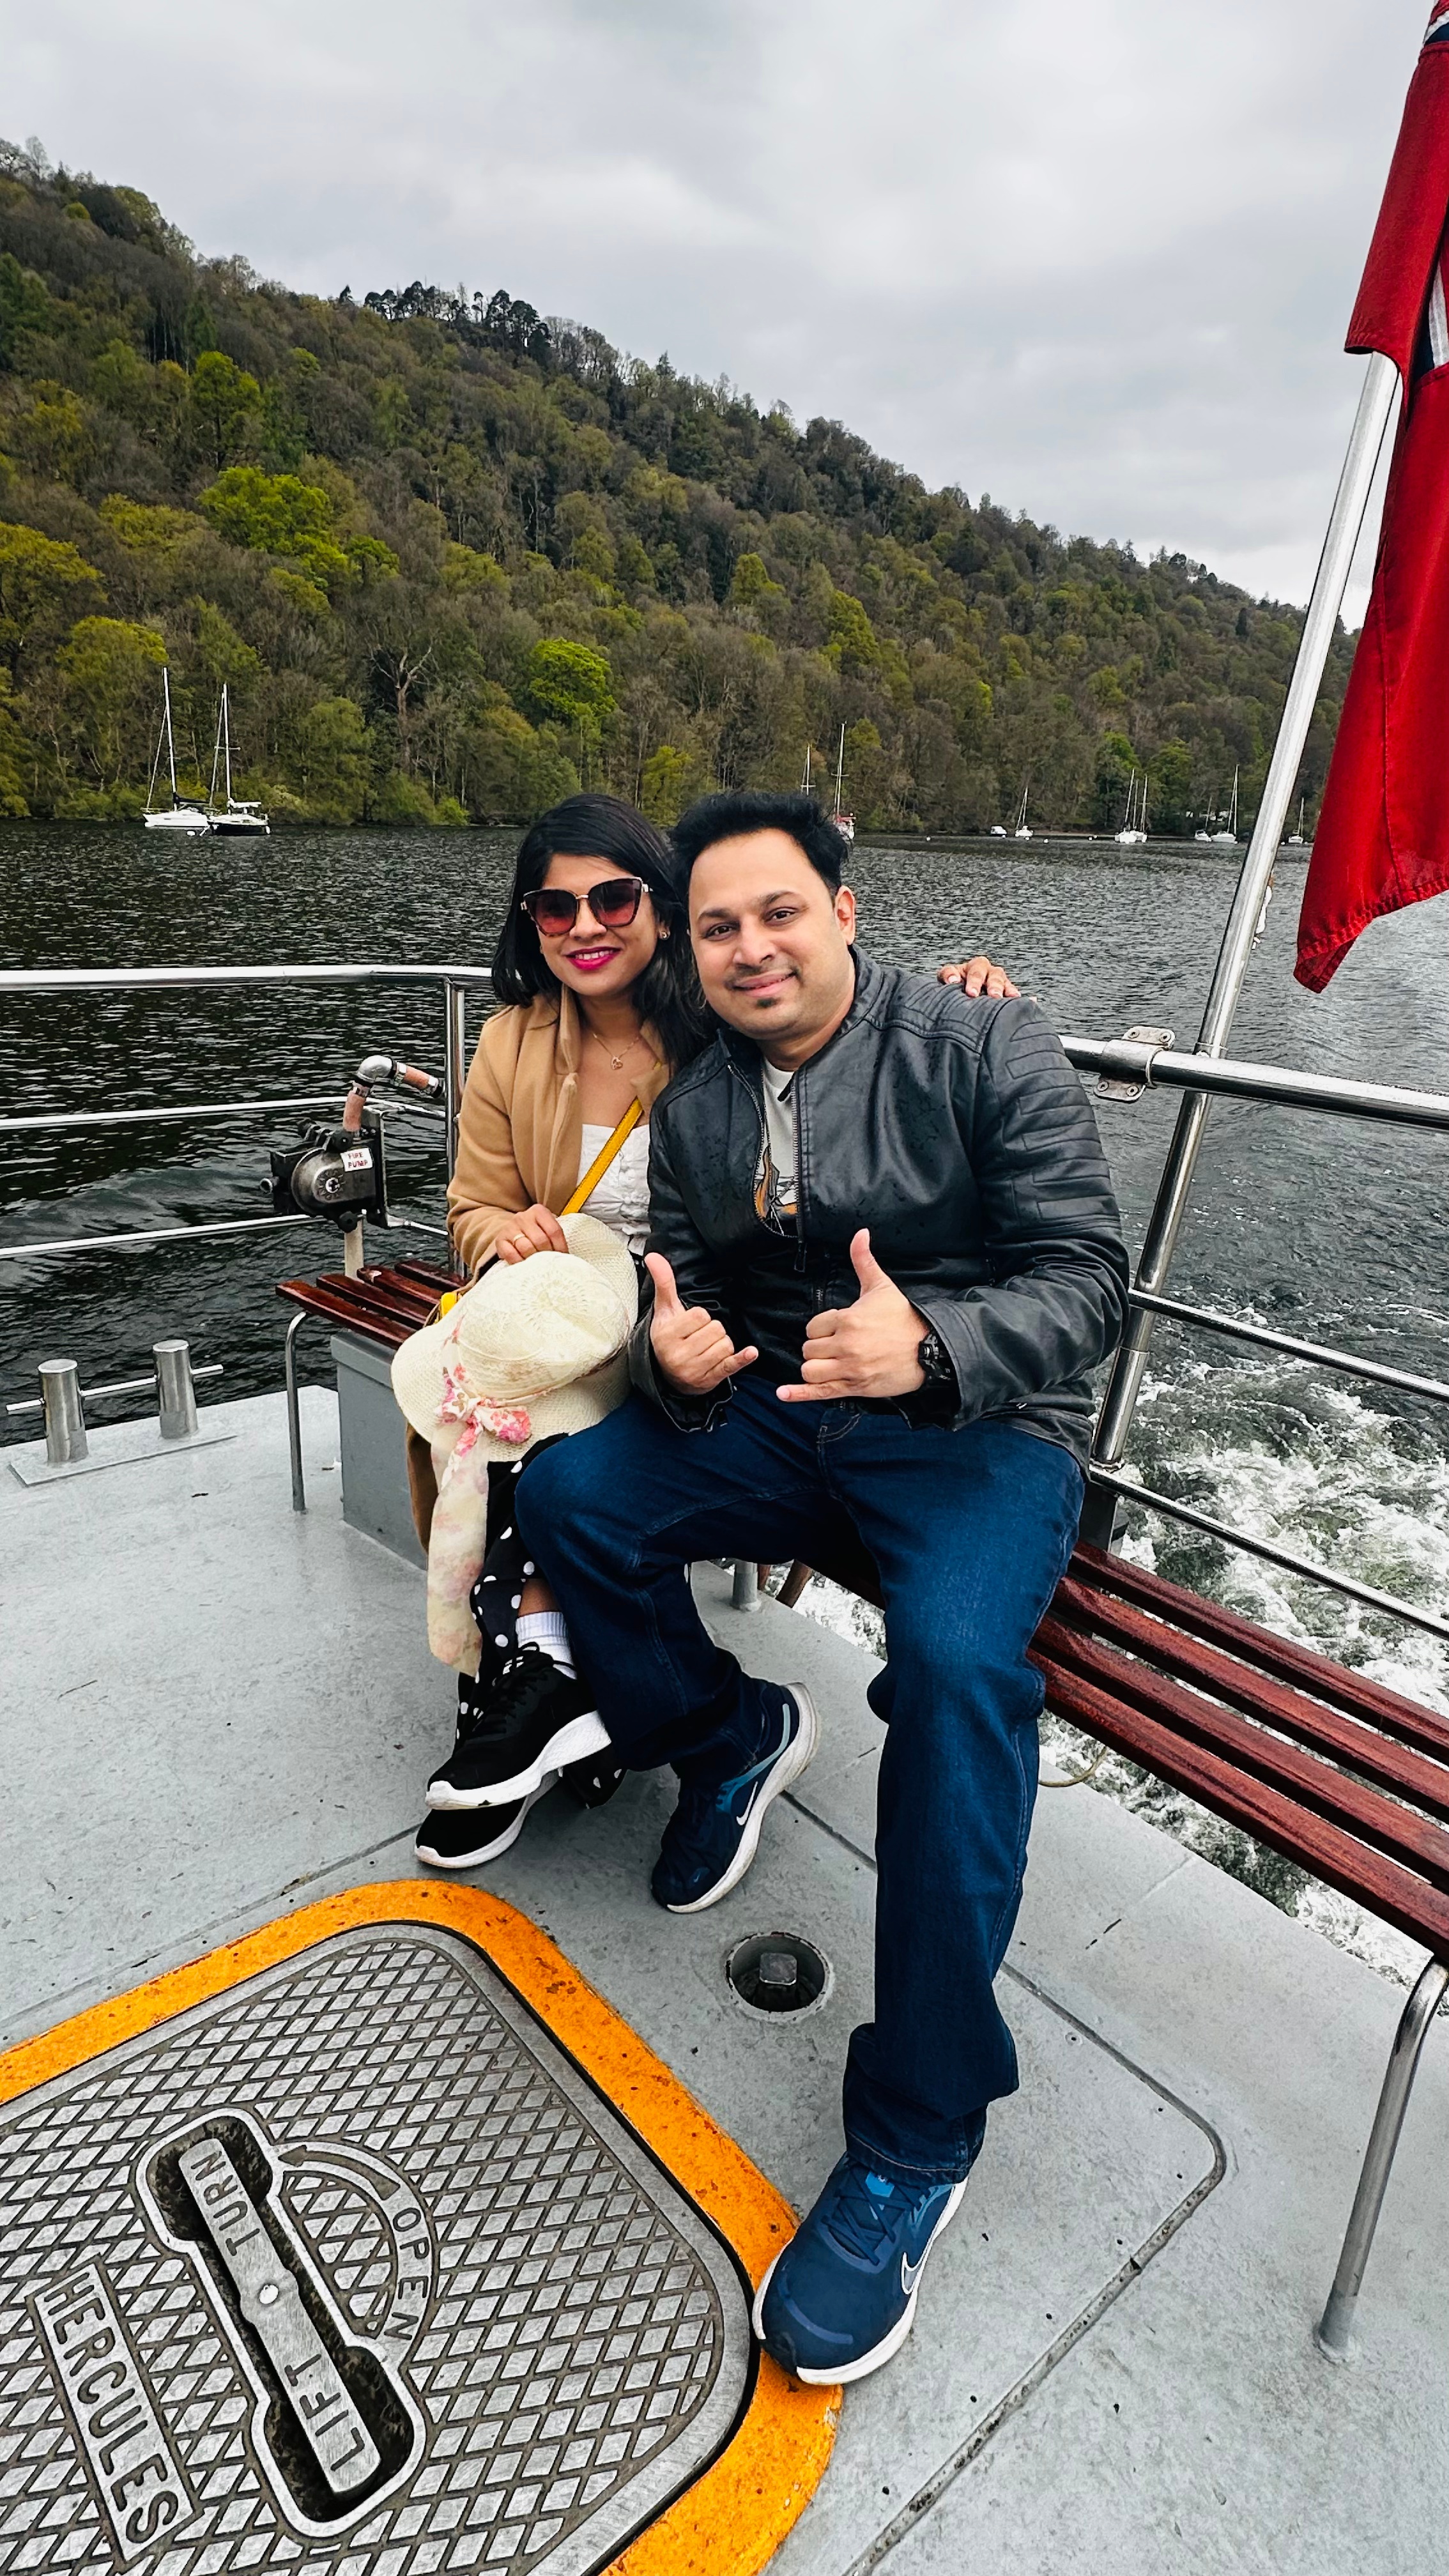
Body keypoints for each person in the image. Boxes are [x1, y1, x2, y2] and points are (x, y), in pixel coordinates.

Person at [447, 788, 1130, 2386]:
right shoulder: (699, 1104)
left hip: (975, 1433)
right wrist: (679, 1366)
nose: (752, 948)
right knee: (574, 1494)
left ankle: (916, 2132)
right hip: (786, 1411)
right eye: (720, 928)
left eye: (780, 913)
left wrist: (935, 1342)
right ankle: (725, 1729)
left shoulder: (981, 1044)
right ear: (693, 954)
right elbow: (694, 1300)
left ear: (844, 912)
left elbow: (1091, 1280)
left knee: (955, 1674)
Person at [412, 789, 1017, 1872]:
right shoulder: (510, 1044)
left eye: (613, 898)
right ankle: (536, 1682)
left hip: (692, 1316)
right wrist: (505, 1233)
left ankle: (548, 1685)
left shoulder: (720, 1020)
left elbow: (833, 998)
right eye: (554, 908)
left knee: (547, 1440)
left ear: (661, 909)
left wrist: (959, 984)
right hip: (567, 1304)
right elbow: (472, 1208)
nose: (585, 926)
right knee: (489, 1409)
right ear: (529, 924)